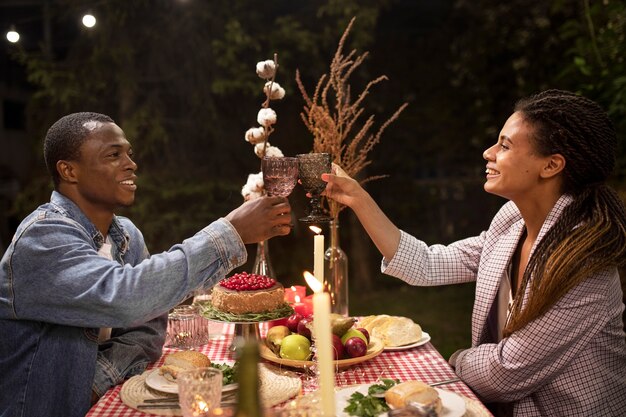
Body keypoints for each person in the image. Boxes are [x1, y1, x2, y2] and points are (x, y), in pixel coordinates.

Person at [322, 90, 626, 416]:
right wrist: (357, 197)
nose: (488, 153)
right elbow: (426, 264)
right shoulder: (511, 222)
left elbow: (506, 371)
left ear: (551, 165)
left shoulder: (583, 264)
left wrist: (454, 360)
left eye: (505, 146)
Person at [0, 112, 293, 417]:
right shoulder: (43, 237)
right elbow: (126, 297)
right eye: (113, 154)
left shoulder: (126, 235)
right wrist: (230, 233)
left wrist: (99, 381)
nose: (131, 163)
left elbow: (148, 326)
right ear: (69, 171)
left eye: (129, 153)